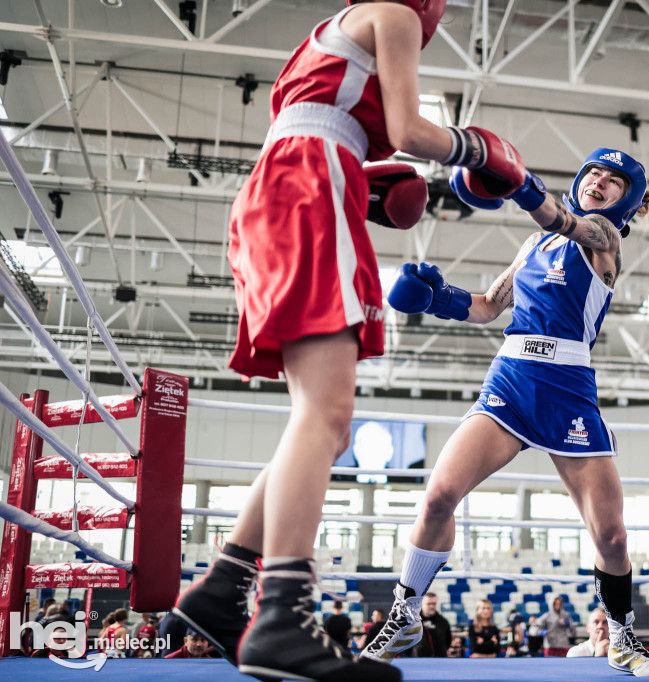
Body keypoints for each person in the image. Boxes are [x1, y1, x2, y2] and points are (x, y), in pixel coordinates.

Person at [170, 0, 527, 678]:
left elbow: (317, 121)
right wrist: (477, 150)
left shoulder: (328, 33)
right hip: (309, 186)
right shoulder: (392, 12)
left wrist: (362, 176)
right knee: (326, 415)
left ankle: (221, 592)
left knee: (322, 425)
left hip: (291, 184)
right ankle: (282, 616)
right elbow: (410, 130)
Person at [362, 147, 649, 677]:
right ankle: (405, 615)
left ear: (628, 200)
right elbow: (487, 306)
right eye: (594, 171)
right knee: (437, 497)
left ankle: (621, 637)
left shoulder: (604, 243)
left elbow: (566, 221)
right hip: (511, 377)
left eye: (614, 180)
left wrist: (521, 188)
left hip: (568, 387)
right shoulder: (533, 244)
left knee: (610, 535)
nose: (600, 181)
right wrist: (438, 298)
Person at [415, 592, 452, 657]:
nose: (432, 606)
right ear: (422, 604)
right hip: (418, 660)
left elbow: (448, 641)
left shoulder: (443, 621)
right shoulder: (414, 621)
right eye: (429, 604)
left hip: (440, 659)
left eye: (434, 604)